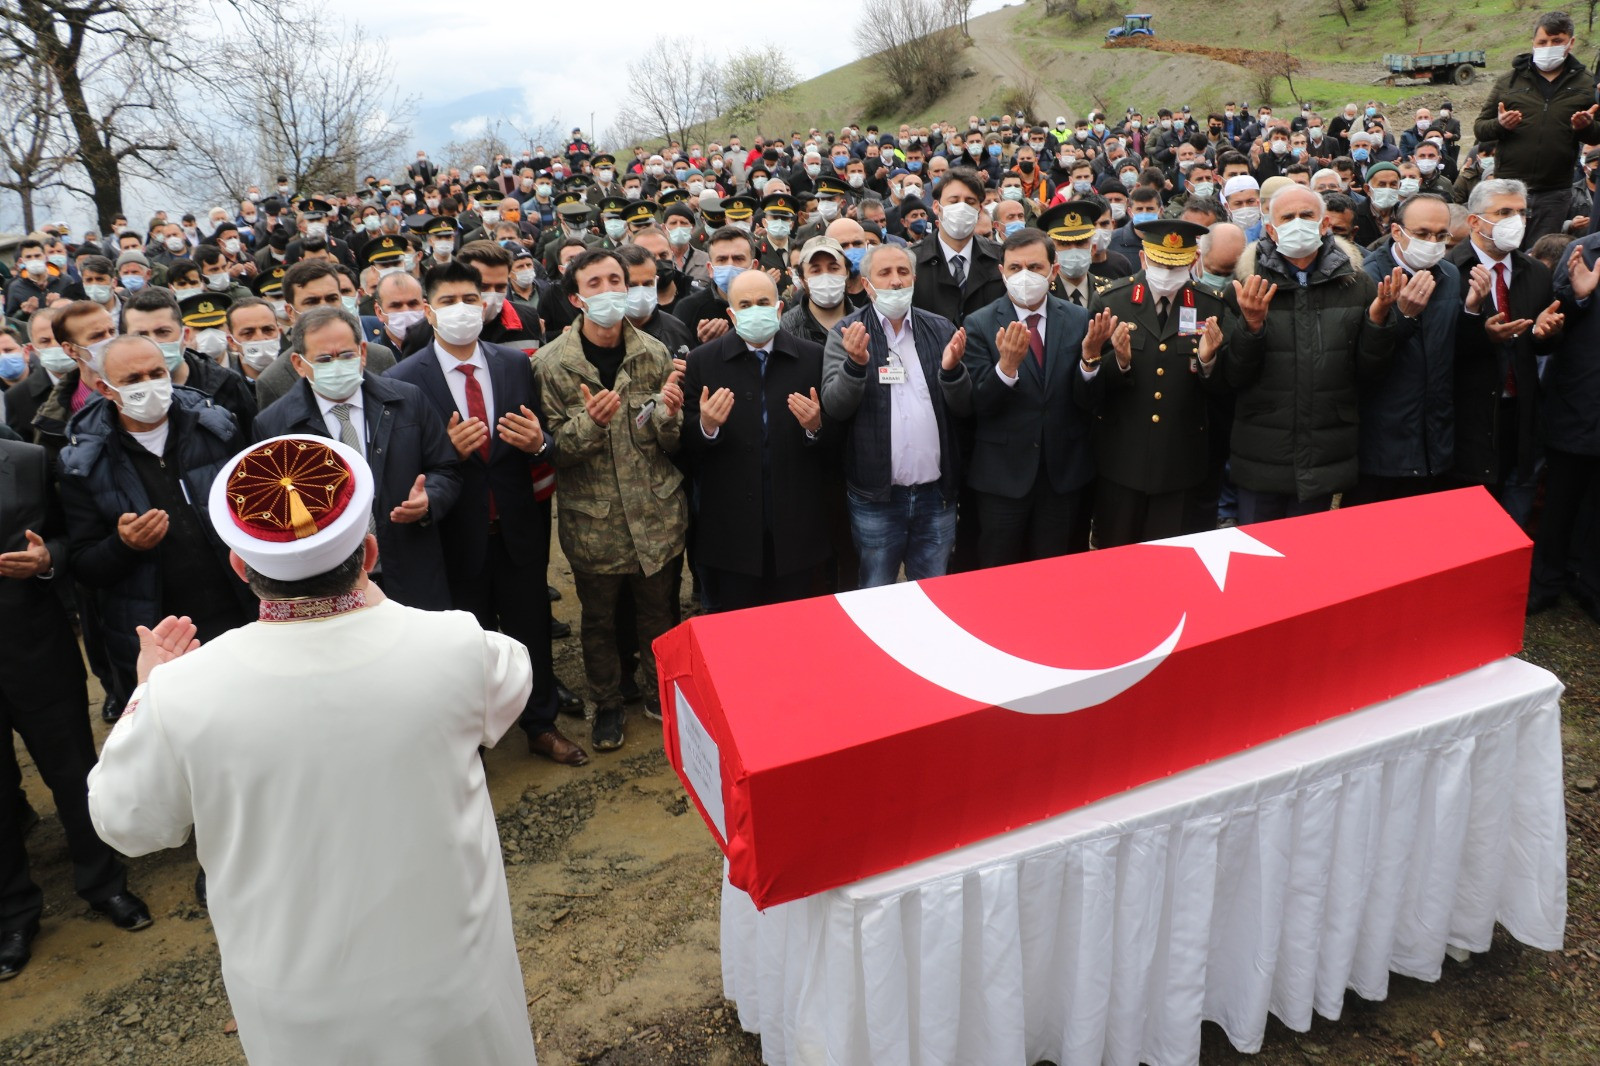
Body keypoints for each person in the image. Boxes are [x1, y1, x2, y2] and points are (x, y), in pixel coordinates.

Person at [87, 435, 538, 1064]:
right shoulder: (457, 646)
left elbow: (127, 823)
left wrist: (146, 693)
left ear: (241, 569)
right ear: (371, 552)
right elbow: (513, 679)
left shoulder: (181, 692)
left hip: (297, 1001)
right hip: (450, 979)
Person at [386, 261, 587, 766]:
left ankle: (540, 724)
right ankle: (471, 739)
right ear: (429, 311)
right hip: (455, 533)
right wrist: (446, 451)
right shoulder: (404, 380)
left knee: (531, 628)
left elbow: (539, 440)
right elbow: (402, 467)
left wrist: (539, 442)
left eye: (469, 300)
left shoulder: (514, 364)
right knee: (465, 642)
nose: (461, 310)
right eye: (448, 301)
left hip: (518, 523)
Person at [1, 436, 152, 980]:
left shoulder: (26, 460)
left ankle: (104, 885)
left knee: (72, 773)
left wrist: (47, 560)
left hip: (36, 649)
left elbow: (73, 541)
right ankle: (14, 916)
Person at [533, 249, 687, 751]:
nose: (609, 292)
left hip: (655, 516)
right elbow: (554, 451)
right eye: (594, 284)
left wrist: (668, 418)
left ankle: (659, 694)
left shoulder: (654, 353)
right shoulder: (551, 366)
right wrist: (591, 422)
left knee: (658, 614)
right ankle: (607, 705)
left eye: (615, 281)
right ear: (576, 298)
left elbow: (669, 442)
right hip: (593, 523)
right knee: (598, 622)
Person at [56, 328, 255, 711]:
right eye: (132, 380)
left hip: (242, 611)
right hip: (164, 637)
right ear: (105, 388)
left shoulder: (215, 426)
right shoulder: (82, 462)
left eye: (155, 373)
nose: (149, 386)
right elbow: (83, 567)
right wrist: (123, 546)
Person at [254, 305, 461, 611]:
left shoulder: (408, 400)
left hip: (411, 564)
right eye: (324, 359)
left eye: (347, 355)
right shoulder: (276, 426)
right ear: (299, 363)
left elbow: (446, 469)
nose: (337, 365)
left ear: (363, 352)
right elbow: (272, 509)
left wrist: (429, 499)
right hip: (330, 581)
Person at [1225, 186, 1402, 520]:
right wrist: (1250, 327)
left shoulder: (1357, 284)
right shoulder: (1246, 285)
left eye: (1306, 216)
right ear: (1271, 230)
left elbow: (1370, 371)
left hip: (1325, 446)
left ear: (1324, 225)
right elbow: (1233, 374)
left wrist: (1378, 321)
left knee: (1307, 559)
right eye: (1287, 217)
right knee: (1259, 558)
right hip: (1262, 447)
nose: (1298, 224)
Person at [820, 242, 972, 586]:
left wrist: (951, 372)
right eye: (885, 273)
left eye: (903, 272)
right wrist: (855, 365)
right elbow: (834, 406)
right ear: (866, 283)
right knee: (877, 588)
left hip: (936, 495)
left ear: (914, 279)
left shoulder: (940, 329)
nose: (895, 281)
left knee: (935, 589)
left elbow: (964, 408)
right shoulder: (846, 334)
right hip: (877, 498)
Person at [681, 269, 832, 610]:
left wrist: (814, 426)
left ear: (779, 308)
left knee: (796, 628)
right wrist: (706, 426)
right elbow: (685, 442)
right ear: (731, 314)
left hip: (796, 526)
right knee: (736, 633)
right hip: (730, 529)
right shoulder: (703, 361)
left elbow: (834, 438)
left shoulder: (813, 357)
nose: (755, 310)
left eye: (763, 302)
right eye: (745, 304)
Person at [963, 228, 1114, 566]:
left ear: (1053, 271)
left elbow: (1090, 401)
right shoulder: (980, 323)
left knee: (1055, 571)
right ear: (1001, 272)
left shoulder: (1078, 319)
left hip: (1062, 474)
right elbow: (976, 404)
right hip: (1003, 477)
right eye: (1015, 268)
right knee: (999, 572)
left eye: (1035, 267)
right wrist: (1007, 368)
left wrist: (1090, 358)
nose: (1025, 275)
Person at [1089, 220, 1232, 546]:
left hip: (1180, 460)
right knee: (1116, 558)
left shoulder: (1210, 305)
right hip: (1122, 459)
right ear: (1143, 259)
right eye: (1159, 262)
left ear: (1193, 261)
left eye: (1177, 264)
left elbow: (1224, 388)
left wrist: (1209, 361)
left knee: (1170, 562)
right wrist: (1119, 362)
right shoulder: (1113, 301)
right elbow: (1090, 386)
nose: (1167, 271)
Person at [1448, 178, 1562, 528]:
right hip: (1470, 417)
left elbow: (1539, 341)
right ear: (1475, 221)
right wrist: (1481, 334)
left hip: (1522, 413)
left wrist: (1546, 334)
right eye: (1504, 212)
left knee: (1514, 517)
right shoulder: (1449, 270)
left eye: (1522, 212)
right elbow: (1441, 348)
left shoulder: (1535, 272)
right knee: (1471, 524)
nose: (1516, 220)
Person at [1347, 194, 1462, 505]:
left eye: (1441, 235)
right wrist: (1403, 316)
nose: (1433, 243)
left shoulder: (1450, 276)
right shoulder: (1365, 279)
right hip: (1380, 437)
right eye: (1423, 234)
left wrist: (1478, 317)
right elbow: (1360, 360)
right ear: (1397, 232)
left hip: (1432, 435)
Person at [1474, 11, 1600, 244]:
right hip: (1508, 188)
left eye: (1557, 41)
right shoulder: (1509, 81)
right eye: (1542, 42)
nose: (1548, 47)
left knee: (1540, 258)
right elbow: (1481, 128)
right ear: (1533, 42)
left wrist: (1586, 128)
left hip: (1555, 192)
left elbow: (1597, 132)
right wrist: (1500, 125)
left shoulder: (1587, 83)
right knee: (1502, 248)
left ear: (1570, 43)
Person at [1528, 233, 1600, 619]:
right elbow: (1549, 327)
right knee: (1560, 501)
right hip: (1580, 401)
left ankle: (1590, 583)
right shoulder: (1584, 250)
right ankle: (1546, 582)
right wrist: (1580, 297)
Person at [912, 167, 1005, 325]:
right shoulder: (912, 260)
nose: (961, 208)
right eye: (954, 201)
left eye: (970, 202)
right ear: (936, 207)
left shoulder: (1000, 256)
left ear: (979, 210)